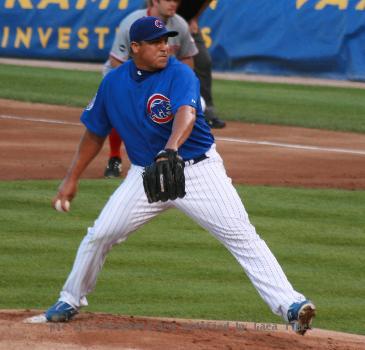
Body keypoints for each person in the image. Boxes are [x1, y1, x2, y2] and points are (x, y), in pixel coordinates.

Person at [44, 17, 316, 336]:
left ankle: (292, 306)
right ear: (135, 48)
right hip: (145, 177)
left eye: (167, 40)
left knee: (241, 236)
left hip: (199, 172)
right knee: (101, 234)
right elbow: (94, 133)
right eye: (157, 42)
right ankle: (69, 298)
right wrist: (71, 177)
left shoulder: (179, 73)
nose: (165, 47)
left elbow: (185, 113)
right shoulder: (113, 83)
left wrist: (171, 148)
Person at [102, 0, 198, 178]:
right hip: (127, 76)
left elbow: (187, 58)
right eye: (168, 0)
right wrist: (142, 88)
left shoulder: (180, 24)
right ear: (155, 1)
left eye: (176, 0)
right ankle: (114, 158)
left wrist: (185, 86)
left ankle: (172, 154)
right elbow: (117, 61)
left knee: (193, 105)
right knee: (119, 109)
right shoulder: (131, 23)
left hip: (163, 78)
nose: (174, 4)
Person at [177, 0, 226, 129]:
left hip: (187, 21)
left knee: (203, 61)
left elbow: (203, 3)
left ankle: (207, 113)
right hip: (163, 18)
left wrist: (194, 19)